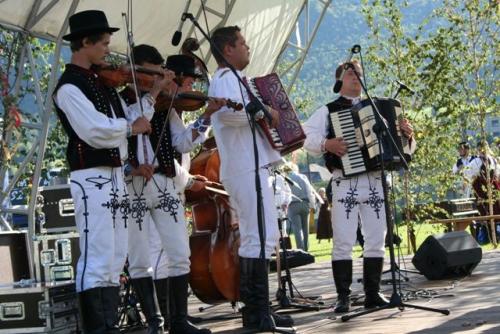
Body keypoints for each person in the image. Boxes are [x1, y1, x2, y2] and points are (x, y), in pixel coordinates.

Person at [53, 10, 159, 333]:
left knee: (115, 256)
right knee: (98, 255)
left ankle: (108, 325)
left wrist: (152, 95)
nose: (108, 51)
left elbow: (127, 119)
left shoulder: (100, 82)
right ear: (84, 43)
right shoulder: (69, 87)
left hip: (113, 176)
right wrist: (130, 127)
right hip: (91, 177)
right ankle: (98, 329)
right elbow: (94, 130)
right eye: (103, 44)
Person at [121, 46, 223, 334]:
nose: (155, 78)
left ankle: (178, 321)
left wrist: (206, 116)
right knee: (141, 258)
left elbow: (182, 143)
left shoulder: (167, 106)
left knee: (179, 253)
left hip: (165, 181)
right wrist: (153, 92)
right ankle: (156, 323)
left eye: (158, 72)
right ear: (135, 69)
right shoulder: (122, 101)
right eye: (150, 72)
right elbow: (129, 125)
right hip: (134, 185)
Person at [302, 59, 416, 313]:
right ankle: (343, 296)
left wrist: (408, 135)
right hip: (345, 181)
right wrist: (326, 144)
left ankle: (372, 294)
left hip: (376, 180)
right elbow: (304, 136)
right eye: (349, 72)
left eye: (358, 72)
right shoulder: (328, 110)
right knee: (343, 240)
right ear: (339, 80)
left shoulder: (380, 108)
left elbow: (403, 150)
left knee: (376, 239)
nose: (355, 75)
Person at [208, 26, 294, 331]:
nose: (248, 48)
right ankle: (255, 314)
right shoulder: (223, 79)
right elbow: (226, 115)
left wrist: (260, 110)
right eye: (243, 43)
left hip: (252, 165)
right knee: (256, 238)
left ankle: (260, 311)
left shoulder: (236, 80)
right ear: (228, 50)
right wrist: (261, 111)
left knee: (265, 237)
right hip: (243, 167)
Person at [284, 162, 315, 251]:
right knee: (306, 228)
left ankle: (300, 249)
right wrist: (312, 205)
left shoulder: (285, 178)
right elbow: (310, 192)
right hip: (305, 203)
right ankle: (306, 249)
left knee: (297, 229)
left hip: (293, 205)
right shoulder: (303, 177)